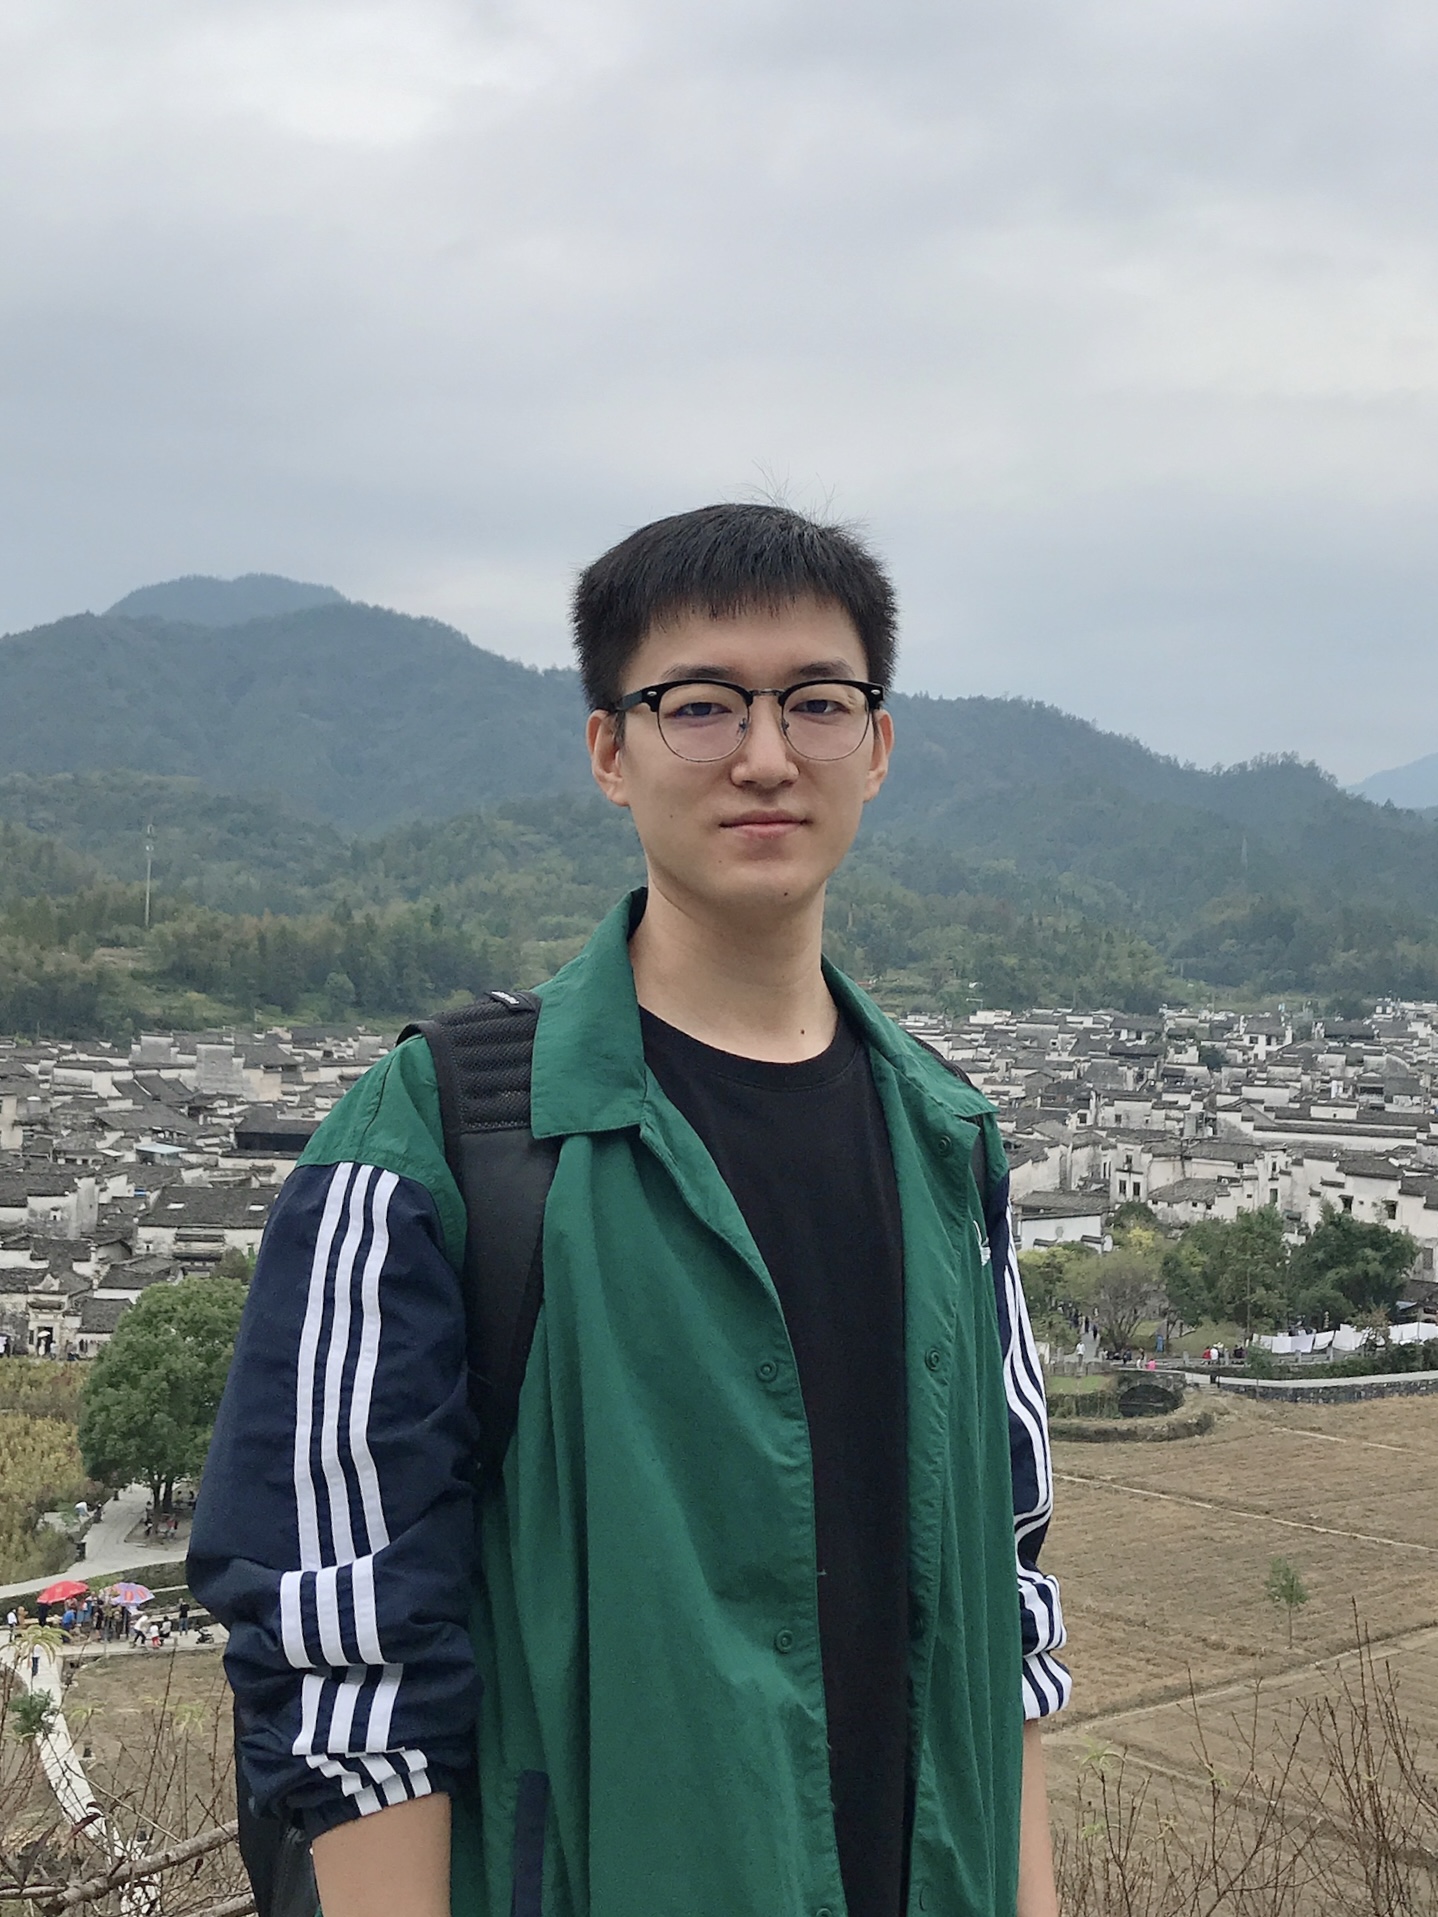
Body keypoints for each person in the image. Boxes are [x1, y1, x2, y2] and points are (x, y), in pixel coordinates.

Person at [191, 504, 1069, 1917]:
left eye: (818, 703)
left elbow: (1005, 1598)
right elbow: (341, 1648)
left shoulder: (948, 1141)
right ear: (611, 749)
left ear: (877, 746)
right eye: (702, 704)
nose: (766, 754)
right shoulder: (435, 1138)